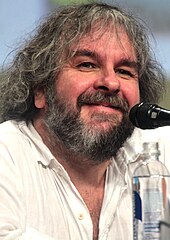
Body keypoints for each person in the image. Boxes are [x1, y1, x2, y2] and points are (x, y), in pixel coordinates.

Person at [0, 2, 169, 240]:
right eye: (87, 65)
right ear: (40, 89)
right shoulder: (5, 156)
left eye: (124, 71)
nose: (111, 83)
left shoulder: (158, 152)